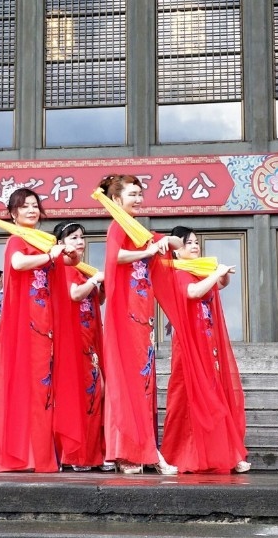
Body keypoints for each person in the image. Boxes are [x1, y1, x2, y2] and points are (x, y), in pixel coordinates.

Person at [0, 188, 80, 472]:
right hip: (27, 326)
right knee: (32, 389)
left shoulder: (43, 240)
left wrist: (71, 254)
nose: (31, 210)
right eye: (24, 206)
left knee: (46, 391)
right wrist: (50, 256)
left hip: (48, 323)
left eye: (35, 205)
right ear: (13, 213)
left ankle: (44, 454)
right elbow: (18, 264)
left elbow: (68, 262)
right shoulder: (18, 239)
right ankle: (27, 455)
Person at [98, 174, 182, 475]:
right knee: (128, 385)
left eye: (140, 194)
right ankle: (128, 452)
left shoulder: (137, 229)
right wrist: (149, 250)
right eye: (132, 194)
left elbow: (164, 242)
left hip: (142, 318)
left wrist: (168, 241)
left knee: (142, 386)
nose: (138, 199)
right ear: (117, 200)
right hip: (125, 317)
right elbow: (114, 256)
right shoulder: (118, 227)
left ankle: (141, 451)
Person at [153, 226, 249, 474]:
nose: (194, 246)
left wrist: (223, 276)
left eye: (196, 242)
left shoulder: (198, 271)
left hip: (207, 344)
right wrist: (216, 273)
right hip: (189, 345)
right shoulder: (178, 274)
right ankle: (185, 454)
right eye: (188, 243)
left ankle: (227, 454)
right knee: (188, 400)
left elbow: (217, 286)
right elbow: (193, 293)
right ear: (176, 252)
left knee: (214, 397)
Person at [52, 221, 107, 472]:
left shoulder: (85, 269)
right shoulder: (65, 267)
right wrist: (95, 280)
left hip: (91, 337)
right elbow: (74, 295)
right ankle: (76, 454)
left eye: (81, 237)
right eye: (73, 238)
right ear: (61, 243)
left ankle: (94, 453)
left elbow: (98, 298)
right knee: (81, 395)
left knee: (96, 394)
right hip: (73, 340)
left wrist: (100, 285)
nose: (79, 241)